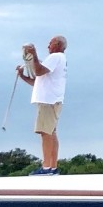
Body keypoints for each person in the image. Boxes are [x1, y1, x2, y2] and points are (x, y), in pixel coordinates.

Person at [18, 36, 68, 173]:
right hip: (54, 100)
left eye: (50, 43)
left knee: (45, 133)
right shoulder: (61, 59)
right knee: (51, 132)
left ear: (57, 44)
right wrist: (23, 76)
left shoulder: (55, 57)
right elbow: (38, 82)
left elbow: (39, 71)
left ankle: (46, 167)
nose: (48, 46)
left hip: (48, 101)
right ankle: (53, 166)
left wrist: (33, 55)